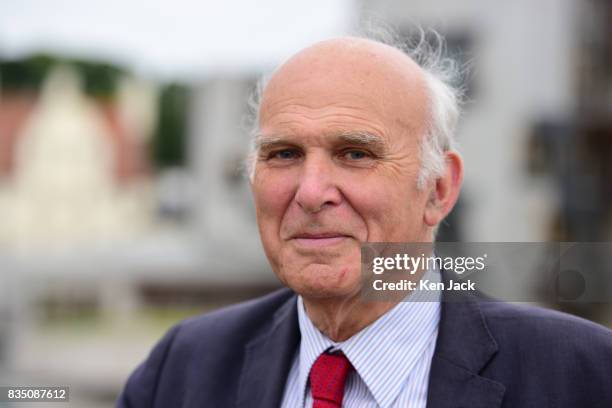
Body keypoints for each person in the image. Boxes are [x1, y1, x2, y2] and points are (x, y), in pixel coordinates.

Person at [117, 33, 612, 408]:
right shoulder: (181, 371)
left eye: (354, 153)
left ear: (438, 189)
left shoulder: (583, 374)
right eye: (284, 153)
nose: (311, 193)